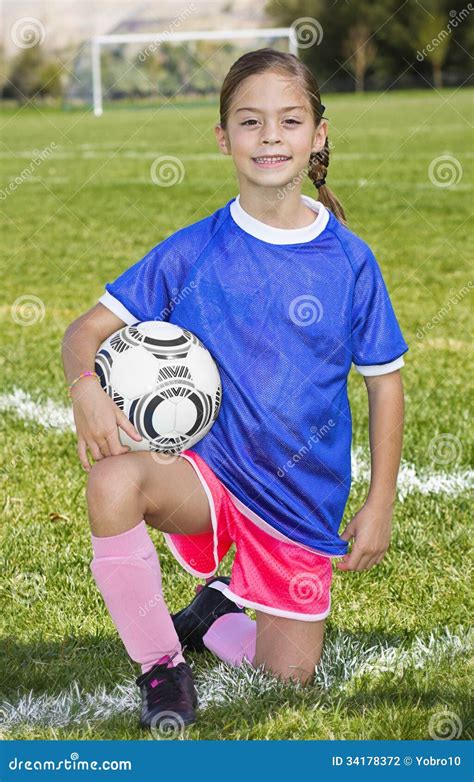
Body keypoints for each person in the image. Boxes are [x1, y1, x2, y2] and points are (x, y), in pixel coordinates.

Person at [62, 48, 408, 732]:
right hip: (207, 475)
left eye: (289, 120)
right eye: (250, 122)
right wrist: (86, 387)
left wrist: (380, 502)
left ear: (319, 133)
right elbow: (87, 328)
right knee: (111, 484)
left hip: (300, 499)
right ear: (224, 137)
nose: (271, 136)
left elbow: (384, 384)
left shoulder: (349, 260)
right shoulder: (196, 250)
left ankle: (216, 612)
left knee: (287, 682)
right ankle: (162, 667)